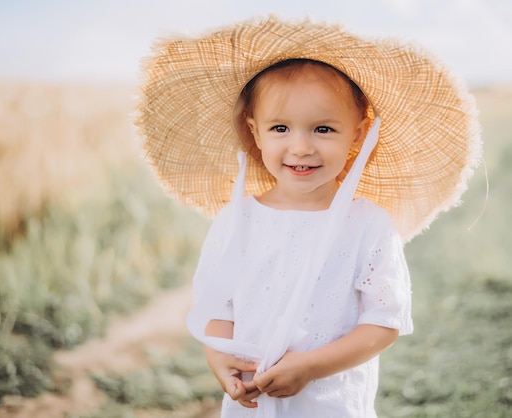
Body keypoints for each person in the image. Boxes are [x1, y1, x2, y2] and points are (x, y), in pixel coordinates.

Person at [136, 16, 481, 418]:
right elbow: (219, 306)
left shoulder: (367, 225)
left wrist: (311, 367)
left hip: (331, 405)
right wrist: (219, 355)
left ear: (357, 133)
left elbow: (384, 322)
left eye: (323, 129)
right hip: (252, 403)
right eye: (280, 127)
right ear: (255, 132)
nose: (300, 147)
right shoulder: (237, 220)